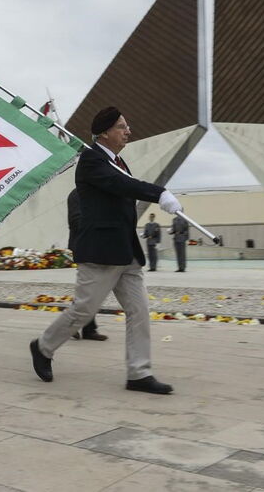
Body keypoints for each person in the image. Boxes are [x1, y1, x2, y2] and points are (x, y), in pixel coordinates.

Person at [30, 106, 182, 394]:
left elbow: (123, 187)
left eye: (127, 126)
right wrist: (159, 192)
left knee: (139, 311)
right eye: (122, 126)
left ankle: (139, 373)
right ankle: (43, 347)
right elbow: (121, 185)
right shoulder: (91, 160)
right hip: (100, 251)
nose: (128, 131)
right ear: (104, 132)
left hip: (126, 252)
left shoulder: (119, 162)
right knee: (84, 311)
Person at [66, 187, 107, 341]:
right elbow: (76, 220)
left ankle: (86, 328)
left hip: (95, 246)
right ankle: (72, 325)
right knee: (89, 289)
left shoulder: (93, 193)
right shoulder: (77, 194)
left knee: (92, 289)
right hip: (83, 246)